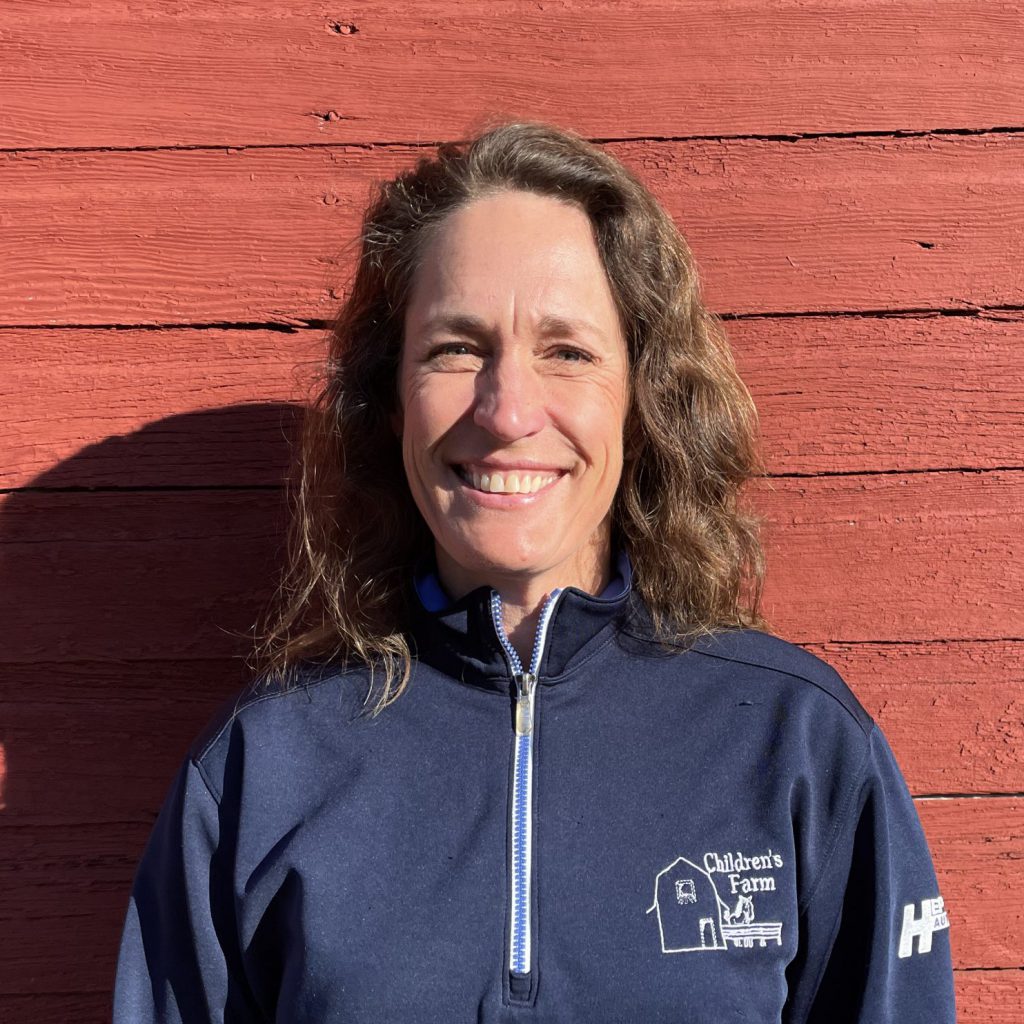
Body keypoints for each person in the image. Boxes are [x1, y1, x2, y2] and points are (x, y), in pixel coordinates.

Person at [111, 119, 956, 1023]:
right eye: (454, 348)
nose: (508, 410)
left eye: (568, 351)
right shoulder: (261, 766)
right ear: (390, 401)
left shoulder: (798, 746)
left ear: (643, 398)